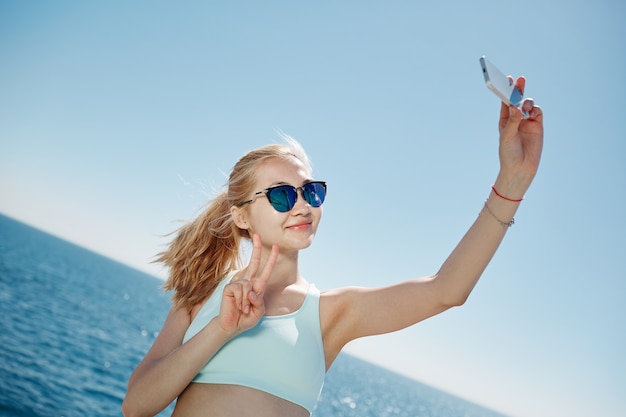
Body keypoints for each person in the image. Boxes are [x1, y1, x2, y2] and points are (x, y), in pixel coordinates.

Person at [122, 77, 543, 417]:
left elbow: (446, 290)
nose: (302, 204)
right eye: (283, 195)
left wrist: (512, 183)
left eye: (312, 192)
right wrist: (221, 330)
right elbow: (137, 405)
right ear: (241, 216)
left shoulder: (330, 314)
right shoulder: (201, 293)